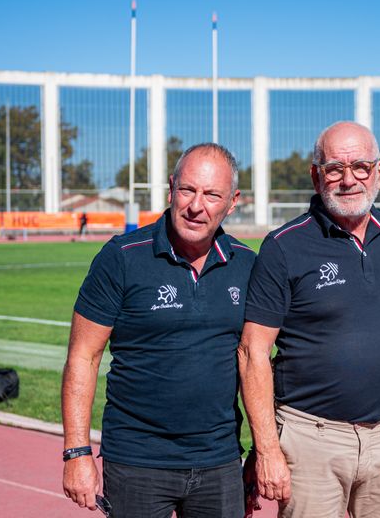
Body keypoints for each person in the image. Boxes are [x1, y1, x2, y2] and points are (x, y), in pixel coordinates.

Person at [61, 143, 256, 517]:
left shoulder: (246, 263)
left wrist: (263, 451)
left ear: (232, 203)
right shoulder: (121, 257)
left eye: (212, 195)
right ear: (171, 188)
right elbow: (83, 357)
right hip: (137, 461)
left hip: (220, 459)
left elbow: (256, 360)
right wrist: (77, 451)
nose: (196, 206)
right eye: (188, 190)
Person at [237, 121, 380, 518]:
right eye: (335, 168)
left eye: (361, 167)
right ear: (316, 176)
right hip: (311, 439)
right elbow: (252, 352)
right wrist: (266, 449)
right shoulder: (284, 247)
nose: (349, 179)